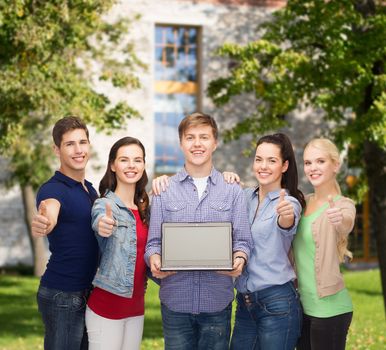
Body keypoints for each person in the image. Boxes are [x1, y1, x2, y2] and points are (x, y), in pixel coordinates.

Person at [145, 112, 252, 350]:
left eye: (204, 137)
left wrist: (239, 258)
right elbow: (153, 242)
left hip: (217, 301)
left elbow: (243, 240)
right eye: (190, 137)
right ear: (181, 143)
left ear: (215, 143)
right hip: (175, 302)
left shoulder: (232, 190)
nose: (197, 144)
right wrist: (154, 259)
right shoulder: (164, 190)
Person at [223, 133, 305, 350]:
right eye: (259, 159)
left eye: (272, 160)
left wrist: (285, 215)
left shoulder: (289, 202)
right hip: (244, 303)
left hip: (278, 303)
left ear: (284, 166)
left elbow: (287, 221)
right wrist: (226, 179)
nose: (263, 166)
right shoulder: (244, 196)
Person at [31, 116, 99, 350]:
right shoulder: (53, 189)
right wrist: (45, 222)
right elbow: (50, 210)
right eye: (70, 144)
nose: (78, 150)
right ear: (56, 149)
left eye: (82, 142)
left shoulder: (89, 189)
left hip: (87, 292)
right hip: (63, 294)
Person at [85, 137, 150, 350]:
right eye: (124, 160)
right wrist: (103, 225)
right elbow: (99, 220)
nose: (131, 165)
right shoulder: (104, 204)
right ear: (113, 165)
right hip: (106, 308)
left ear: (143, 165)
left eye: (137, 160)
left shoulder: (145, 210)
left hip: (136, 309)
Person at [293, 138, 355, 350]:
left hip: (331, 311)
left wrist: (340, 220)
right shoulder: (303, 203)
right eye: (308, 162)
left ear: (335, 165)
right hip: (303, 307)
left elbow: (346, 222)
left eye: (320, 161)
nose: (312, 168)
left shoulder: (343, 205)